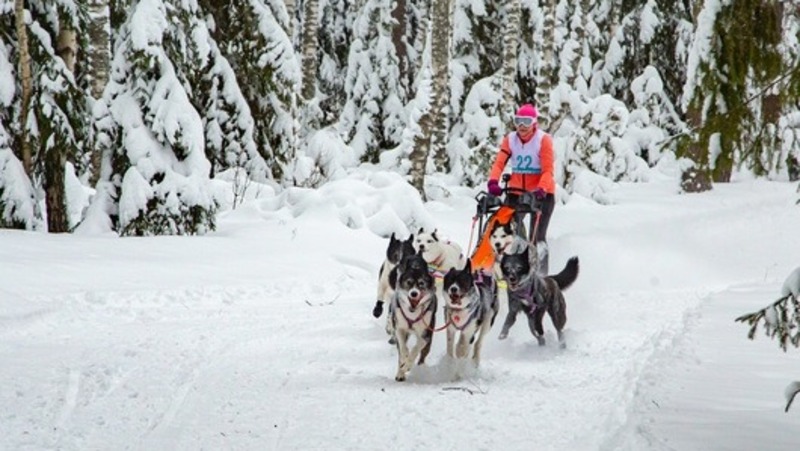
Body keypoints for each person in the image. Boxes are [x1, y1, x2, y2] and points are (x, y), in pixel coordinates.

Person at [486, 103, 555, 273]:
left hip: (542, 194)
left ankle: (541, 275)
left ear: (534, 123)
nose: (522, 126)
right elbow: (499, 162)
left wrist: (541, 189)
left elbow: (548, 170)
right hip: (516, 193)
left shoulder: (543, 139)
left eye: (526, 121)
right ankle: (508, 267)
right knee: (506, 231)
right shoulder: (510, 139)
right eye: (518, 121)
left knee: (537, 236)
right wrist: (493, 182)